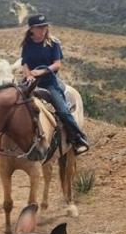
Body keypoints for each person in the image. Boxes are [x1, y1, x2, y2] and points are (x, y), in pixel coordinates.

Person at [19, 13, 90, 154]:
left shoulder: (53, 43)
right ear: (31, 29)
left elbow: (57, 64)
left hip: (49, 83)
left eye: (44, 26)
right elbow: (25, 63)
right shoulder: (27, 44)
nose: (43, 29)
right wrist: (28, 75)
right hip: (31, 82)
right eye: (39, 27)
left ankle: (78, 138)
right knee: (14, 104)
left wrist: (42, 71)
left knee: (63, 111)